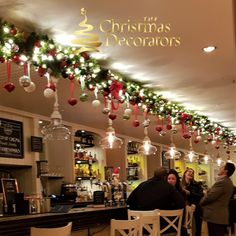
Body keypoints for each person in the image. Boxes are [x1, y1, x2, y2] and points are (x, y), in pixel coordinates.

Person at [200, 162, 235, 236]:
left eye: (222, 167)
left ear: (226, 171)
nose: (220, 168)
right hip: (218, 216)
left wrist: (202, 201)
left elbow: (209, 197)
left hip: (215, 216)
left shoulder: (222, 182)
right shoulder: (228, 182)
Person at [182, 168, 204, 236]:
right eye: (189, 171)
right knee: (184, 226)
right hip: (183, 208)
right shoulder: (180, 184)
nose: (191, 173)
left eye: (192, 172)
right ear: (185, 174)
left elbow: (200, 195)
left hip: (196, 207)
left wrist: (190, 193)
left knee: (197, 226)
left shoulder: (197, 184)